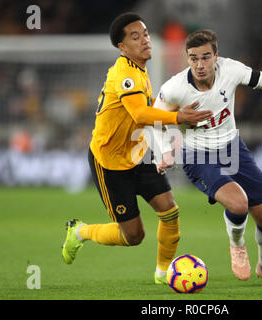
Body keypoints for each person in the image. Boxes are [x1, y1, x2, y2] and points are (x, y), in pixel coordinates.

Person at [61, 13, 213, 285]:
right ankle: (81, 232)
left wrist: (178, 109)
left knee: (170, 210)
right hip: (109, 162)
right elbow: (141, 115)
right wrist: (178, 118)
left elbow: (150, 108)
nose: (145, 39)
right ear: (122, 47)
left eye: (144, 33)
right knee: (133, 236)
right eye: (135, 36)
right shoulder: (125, 74)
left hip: (137, 154)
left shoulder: (139, 71)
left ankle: (163, 272)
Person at [153, 29, 262, 286]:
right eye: (193, 58)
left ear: (216, 56)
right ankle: (237, 245)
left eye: (205, 57)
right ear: (187, 59)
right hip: (197, 155)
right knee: (238, 204)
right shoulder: (174, 89)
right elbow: (155, 119)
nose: (199, 65)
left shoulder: (231, 70)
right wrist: (166, 153)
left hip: (232, 148)